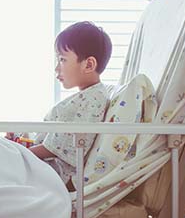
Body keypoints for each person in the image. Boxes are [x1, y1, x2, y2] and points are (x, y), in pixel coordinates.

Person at [7, 21, 112, 190]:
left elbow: (58, 148)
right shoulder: (86, 96)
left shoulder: (94, 99)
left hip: (55, 173)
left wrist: (19, 153)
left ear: (89, 65)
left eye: (62, 60)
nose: (57, 68)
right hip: (43, 164)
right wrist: (20, 142)